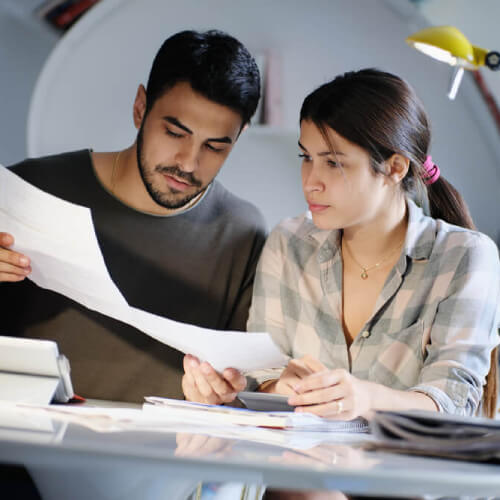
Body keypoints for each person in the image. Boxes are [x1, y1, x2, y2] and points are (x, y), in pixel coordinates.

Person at [183, 68, 500, 420]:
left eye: (333, 163)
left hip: (404, 471)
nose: (311, 182)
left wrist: (366, 398)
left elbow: (455, 401)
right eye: (306, 158)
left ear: (395, 168)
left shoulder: (464, 256)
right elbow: (264, 377)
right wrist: (273, 389)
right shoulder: (288, 243)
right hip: (295, 471)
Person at [0, 29, 266, 403]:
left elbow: (249, 382)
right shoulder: (28, 188)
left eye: (215, 147)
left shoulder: (243, 232)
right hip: (25, 446)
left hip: (162, 455)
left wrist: (229, 392)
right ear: (141, 107)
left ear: (238, 138)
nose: (188, 163)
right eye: (175, 133)